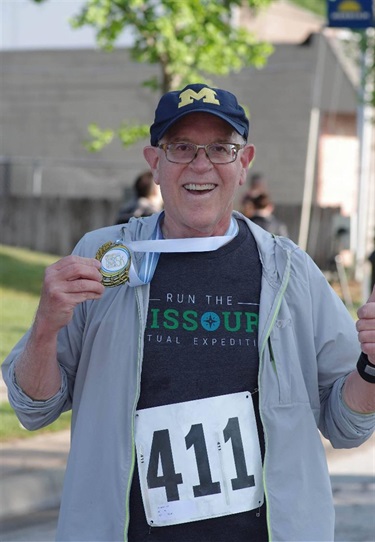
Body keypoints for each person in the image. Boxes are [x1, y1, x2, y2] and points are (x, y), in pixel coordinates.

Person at [2, 83, 375, 542]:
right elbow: (34, 408)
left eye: (221, 148)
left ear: (244, 162)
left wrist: (372, 366)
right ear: (154, 162)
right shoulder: (104, 255)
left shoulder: (289, 272)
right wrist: (44, 329)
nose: (202, 165)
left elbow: (347, 422)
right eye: (181, 148)